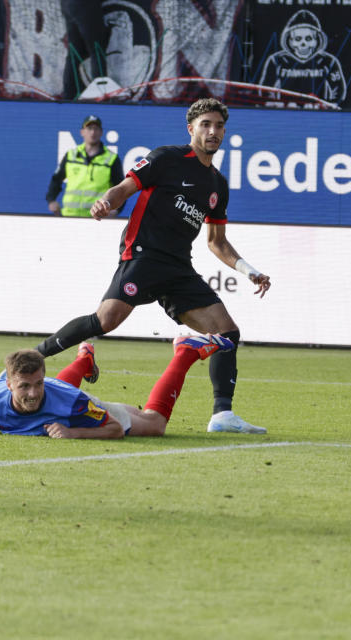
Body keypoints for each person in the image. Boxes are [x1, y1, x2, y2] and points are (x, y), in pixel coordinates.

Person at [32, 97, 271, 435]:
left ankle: (222, 415)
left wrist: (249, 270)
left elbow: (216, 242)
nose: (213, 131)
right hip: (144, 255)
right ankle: (34, 356)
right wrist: (106, 203)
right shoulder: (167, 158)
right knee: (105, 320)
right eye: (206, 125)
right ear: (191, 129)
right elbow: (125, 187)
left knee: (227, 333)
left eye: (218, 126)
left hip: (178, 268)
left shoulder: (217, 185)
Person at [0, 335, 233, 439]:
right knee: (52, 395)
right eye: (23, 386)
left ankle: (186, 351)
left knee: (154, 424)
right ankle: (85, 359)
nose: (32, 392)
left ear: (44, 375)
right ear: (8, 385)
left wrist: (72, 432)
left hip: (75, 401)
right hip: (60, 393)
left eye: (37, 383)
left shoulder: (72, 403)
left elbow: (113, 428)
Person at [46, 115, 123, 218]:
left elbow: (121, 188)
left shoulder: (111, 158)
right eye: (89, 129)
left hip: (97, 218)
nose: (93, 132)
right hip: (69, 216)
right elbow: (56, 179)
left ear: (101, 132)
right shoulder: (71, 155)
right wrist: (51, 200)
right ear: (82, 132)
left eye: (96, 129)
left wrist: (117, 210)